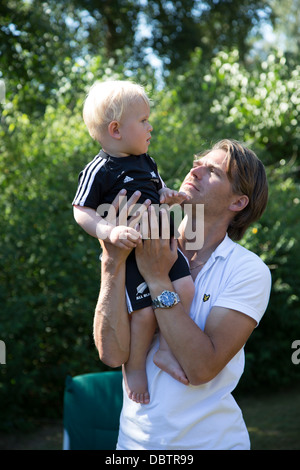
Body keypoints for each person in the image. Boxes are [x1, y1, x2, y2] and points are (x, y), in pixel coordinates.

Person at [93, 139, 272, 450]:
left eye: (213, 171)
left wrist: (158, 279)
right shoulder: (136, 243)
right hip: (133, 445)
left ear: (238, 202)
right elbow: (111, 354)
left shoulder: (248, 271)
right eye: (198, 162)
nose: (196, 170)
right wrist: (110, 262)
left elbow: (201, 368)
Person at [72, 80, 195, 405]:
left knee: (186, 290)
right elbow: (81, 211)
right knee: (143, 315)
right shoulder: (99, 169)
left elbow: (158, 189)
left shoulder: (147, 161)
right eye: (143, 121)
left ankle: (167, 352)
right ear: (116, 129)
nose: (150, 126)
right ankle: (135, 366)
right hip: (133, 254)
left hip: (165, 244)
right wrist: (108, 232)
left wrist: (168, 195)